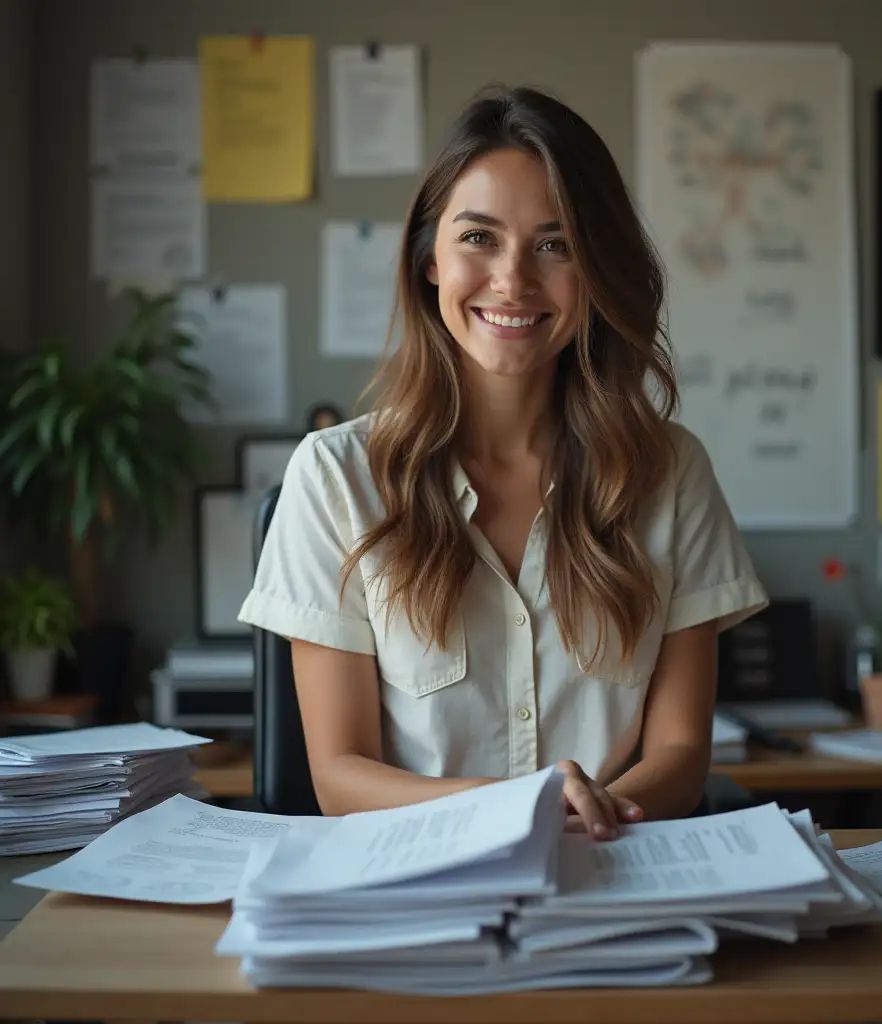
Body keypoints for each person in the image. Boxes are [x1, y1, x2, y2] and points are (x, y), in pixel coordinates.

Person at [238, 84, 768, 841]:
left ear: (595, 271)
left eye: (555, 245)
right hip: (417, 888)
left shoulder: (671, 473)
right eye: (479, 238)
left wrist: (587, 819)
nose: (513, 280)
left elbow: (681, 752)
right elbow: (339, 773)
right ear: (429, 260)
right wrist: (518, 810)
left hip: (609, 876)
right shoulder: (334, 476)